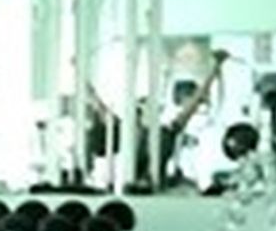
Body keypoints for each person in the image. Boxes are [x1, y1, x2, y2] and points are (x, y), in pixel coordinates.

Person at [86, 48, 228, 191]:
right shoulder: (125, 132)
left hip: (156, 189)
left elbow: (195, 101)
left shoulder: (166, 133)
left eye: (146, 107)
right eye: (140, 108)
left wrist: (215, 68)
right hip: (126, 188)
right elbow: (98, 104)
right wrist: (79, 73)